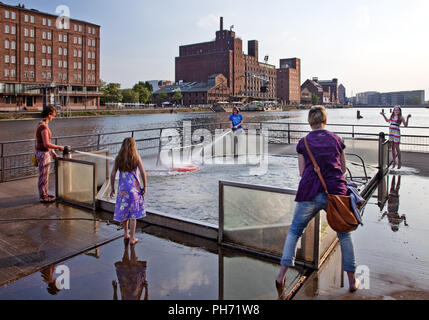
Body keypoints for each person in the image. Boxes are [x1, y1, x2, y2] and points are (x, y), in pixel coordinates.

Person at [275, 106, 359, 298]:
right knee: (344, 236)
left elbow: (302, 172)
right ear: (325, 120)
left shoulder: (304, 142)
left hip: (309, 193)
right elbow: (343, 168)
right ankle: (353, 281)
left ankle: (281, 275)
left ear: (309, 121)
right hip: (335, 194)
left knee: (295, 232)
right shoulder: (337, 140)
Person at [110, 137, 147, 245]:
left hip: (123, 191)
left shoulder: (118, 158)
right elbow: (143, 172)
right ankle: (132, 238)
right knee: (133, 216)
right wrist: (145, 186)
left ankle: (126, 234)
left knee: (124, 213)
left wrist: (112, 188)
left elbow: (113, 174)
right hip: (134, 190)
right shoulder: (136, 157)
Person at [35, 106, 64, 203]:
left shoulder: (41, 124)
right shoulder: (43, 126)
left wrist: (52, 152)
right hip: (43, 154)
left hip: (43, 152)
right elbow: (46, 143)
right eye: (53, 115)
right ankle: (43, 197)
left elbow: (45, 143)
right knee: (43, 176)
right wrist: (59, 147)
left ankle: (45, 193)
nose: (53, 117)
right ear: (49, 115)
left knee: (45, 175)